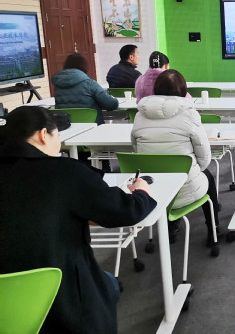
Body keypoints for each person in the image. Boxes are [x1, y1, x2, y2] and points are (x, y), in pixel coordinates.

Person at [0, 106, 156, 333]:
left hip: (6, 309)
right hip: (64, 304)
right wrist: (141, 191)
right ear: (43, 135)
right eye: (57, 136)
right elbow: (126, 211)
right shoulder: (64, 173)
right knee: (110, 285)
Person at [131, 69, 220, 244]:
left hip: (152, 189)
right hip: (184, 187)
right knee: (207, 177)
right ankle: (214, 230)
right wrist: (195, 167)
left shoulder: (139, 115)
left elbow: (136, 149)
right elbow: (204, 157)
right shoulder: (190, 114)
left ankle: (171, 229)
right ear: (183, 91)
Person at [52, 53, 119, 124]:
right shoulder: (89, 83)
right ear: (84, 66)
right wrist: (114, 99)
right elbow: (111, 105)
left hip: (67, 126)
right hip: (92, 126)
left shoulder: (58, 85)